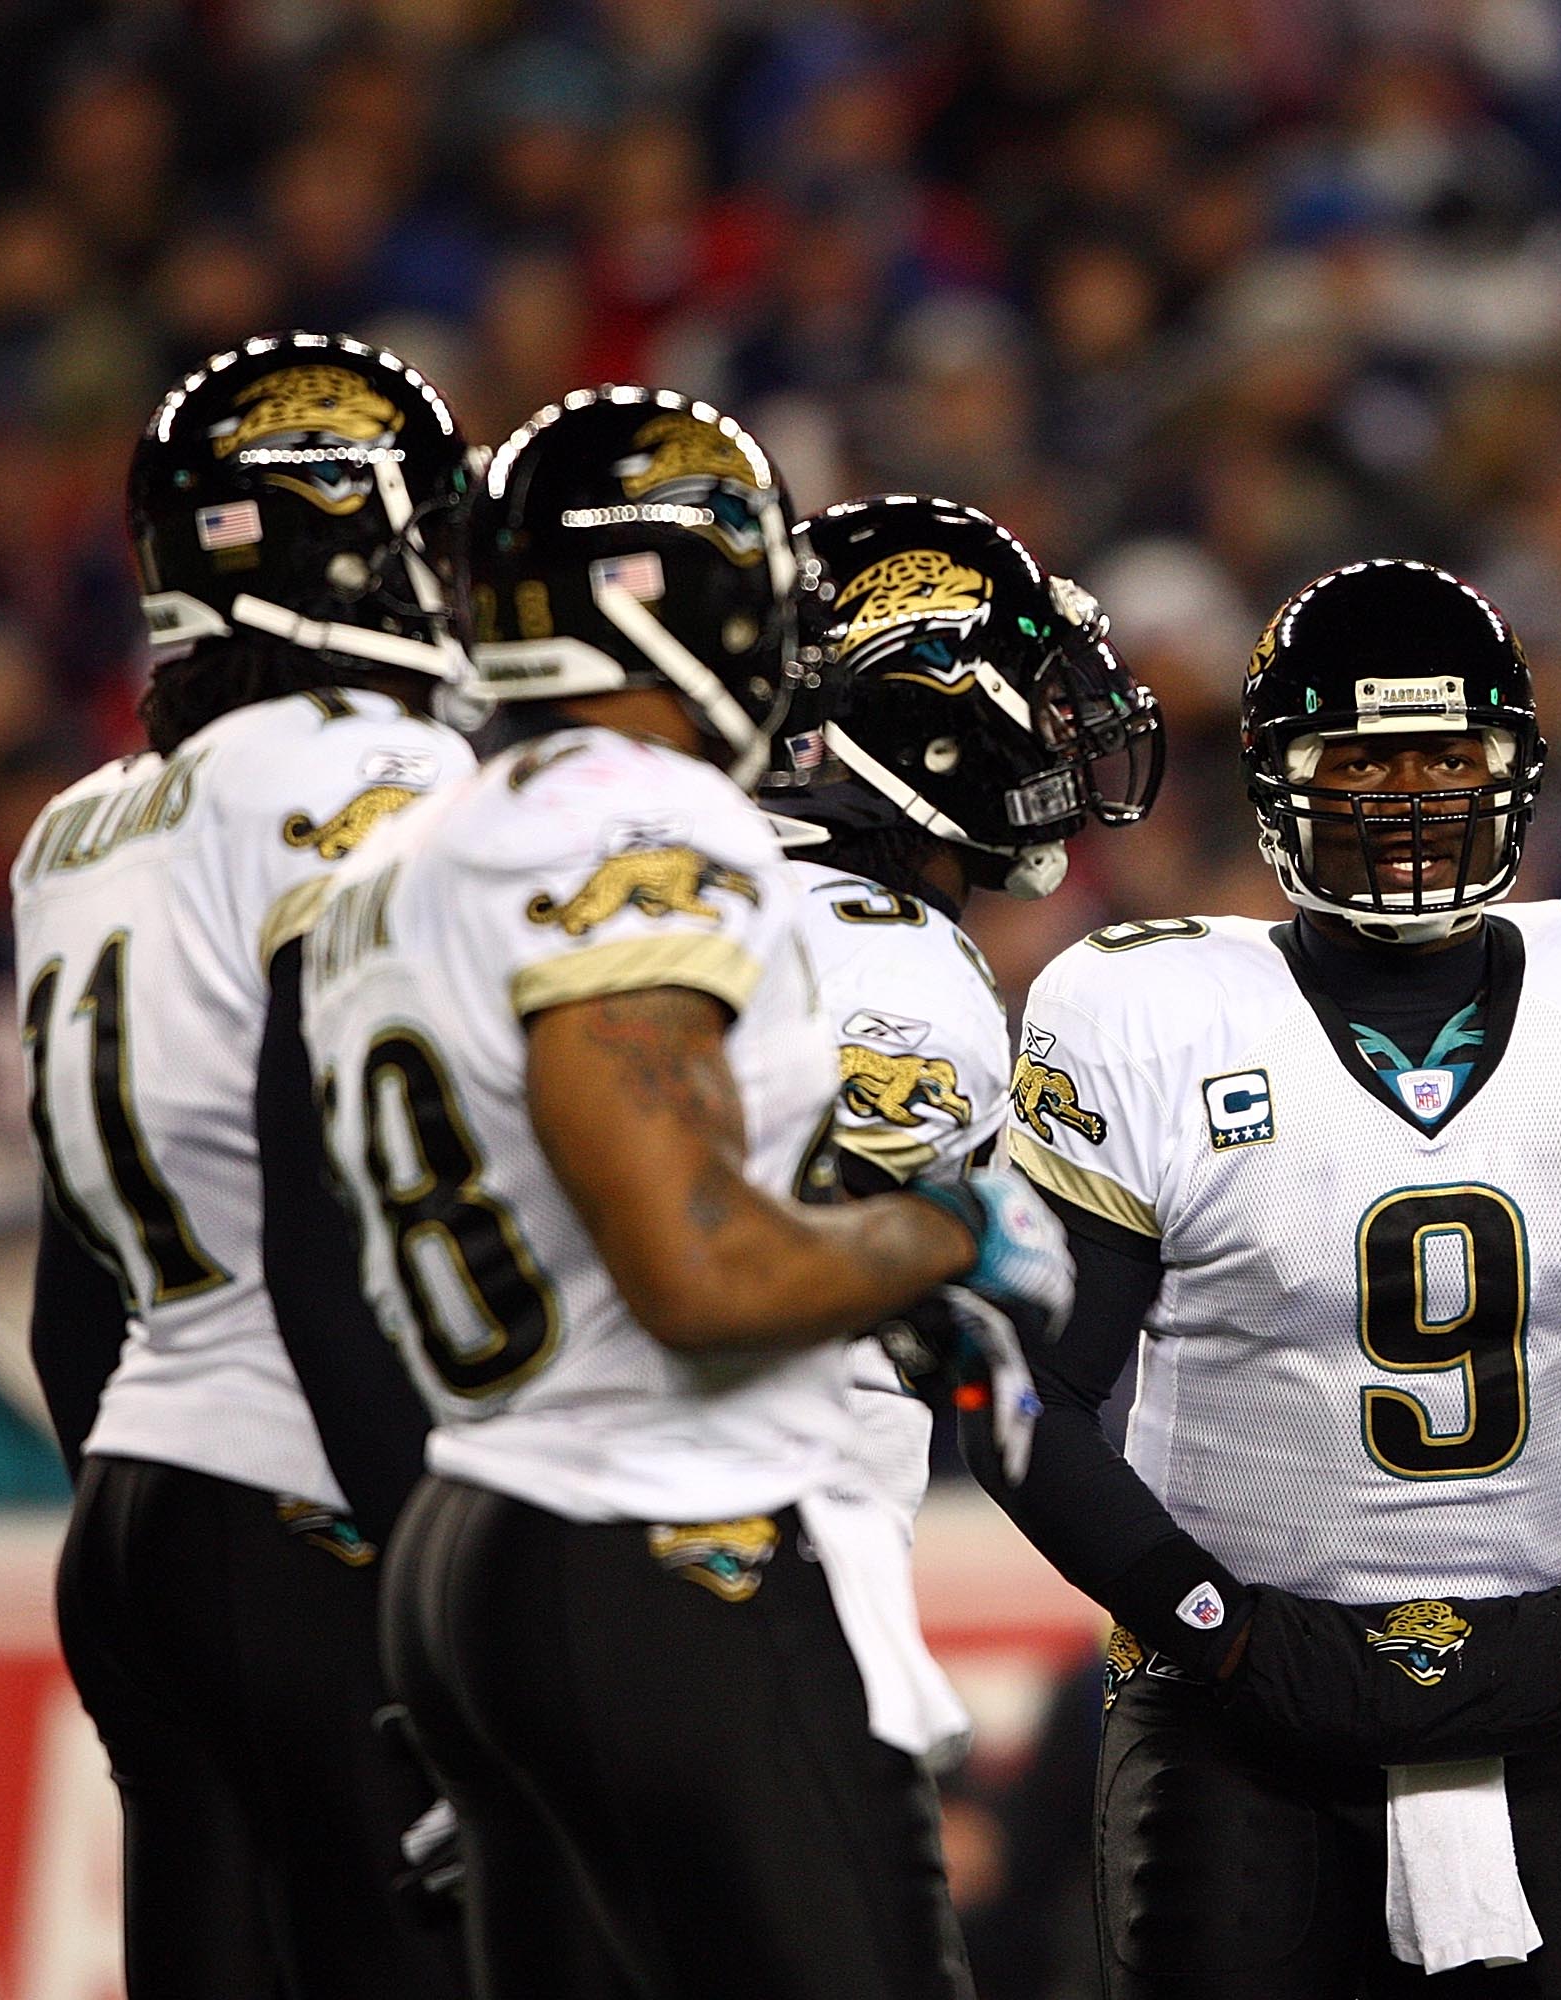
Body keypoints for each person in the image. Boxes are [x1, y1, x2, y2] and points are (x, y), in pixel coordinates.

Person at [303, 384, 1067, 2000]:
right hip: (671, 1541)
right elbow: (697, 1269)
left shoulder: (410, 850)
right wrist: (952, 1231)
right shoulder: (648, 825)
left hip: (482, 1526)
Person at [996, 557, 1561, 2000]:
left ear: (1512, 770)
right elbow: (1026, 1396)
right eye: (1360, 759)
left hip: (1535, 1697)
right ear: (1282, 780)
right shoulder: (1145, 1009)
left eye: (1444, 755)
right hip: (1230, 1715)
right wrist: (1221, 1631)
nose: (1408, 794)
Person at [19, 331, 474, 2000]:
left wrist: (134, 1504)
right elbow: (331, 1216)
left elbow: (86, 1288)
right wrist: (441, 1579)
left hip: (138, 1504)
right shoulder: (379, 774)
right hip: (323, 1498)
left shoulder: (85, 820)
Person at [764, 491, 1161, 1544]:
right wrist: (957, 1234)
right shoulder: (891, 962)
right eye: (1035, 693)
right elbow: (798, 1277)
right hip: (755, 1523)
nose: (1061, 727)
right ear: (930, 719)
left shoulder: (724, 890)